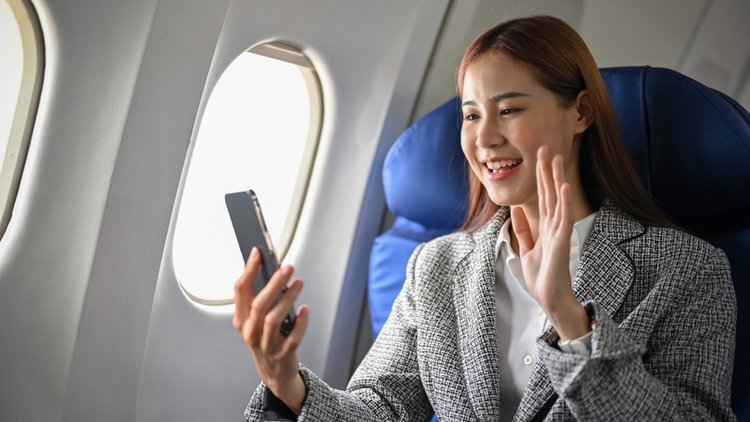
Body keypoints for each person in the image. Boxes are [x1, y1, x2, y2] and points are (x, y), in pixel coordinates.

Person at [233, 15, 737, 421]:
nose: (484, 138)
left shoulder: (687, 269)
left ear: (580, 113)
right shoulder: (434, 267)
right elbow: (380, 410)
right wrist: (288, 383)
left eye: (509, 110)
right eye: (472, 115)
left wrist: (569, 318)